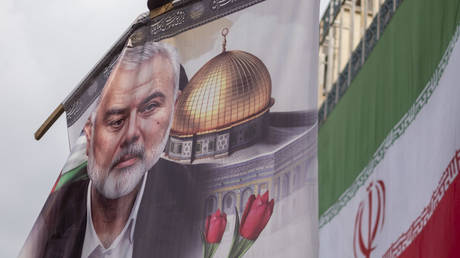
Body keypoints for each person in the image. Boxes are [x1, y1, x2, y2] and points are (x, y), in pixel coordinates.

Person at [20, 40, 202, 258]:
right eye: (116, 121)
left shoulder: (198, 205)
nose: (132, 133)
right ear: (89, 130)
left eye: (150, 107)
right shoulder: (52, 225)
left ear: (175, 107)